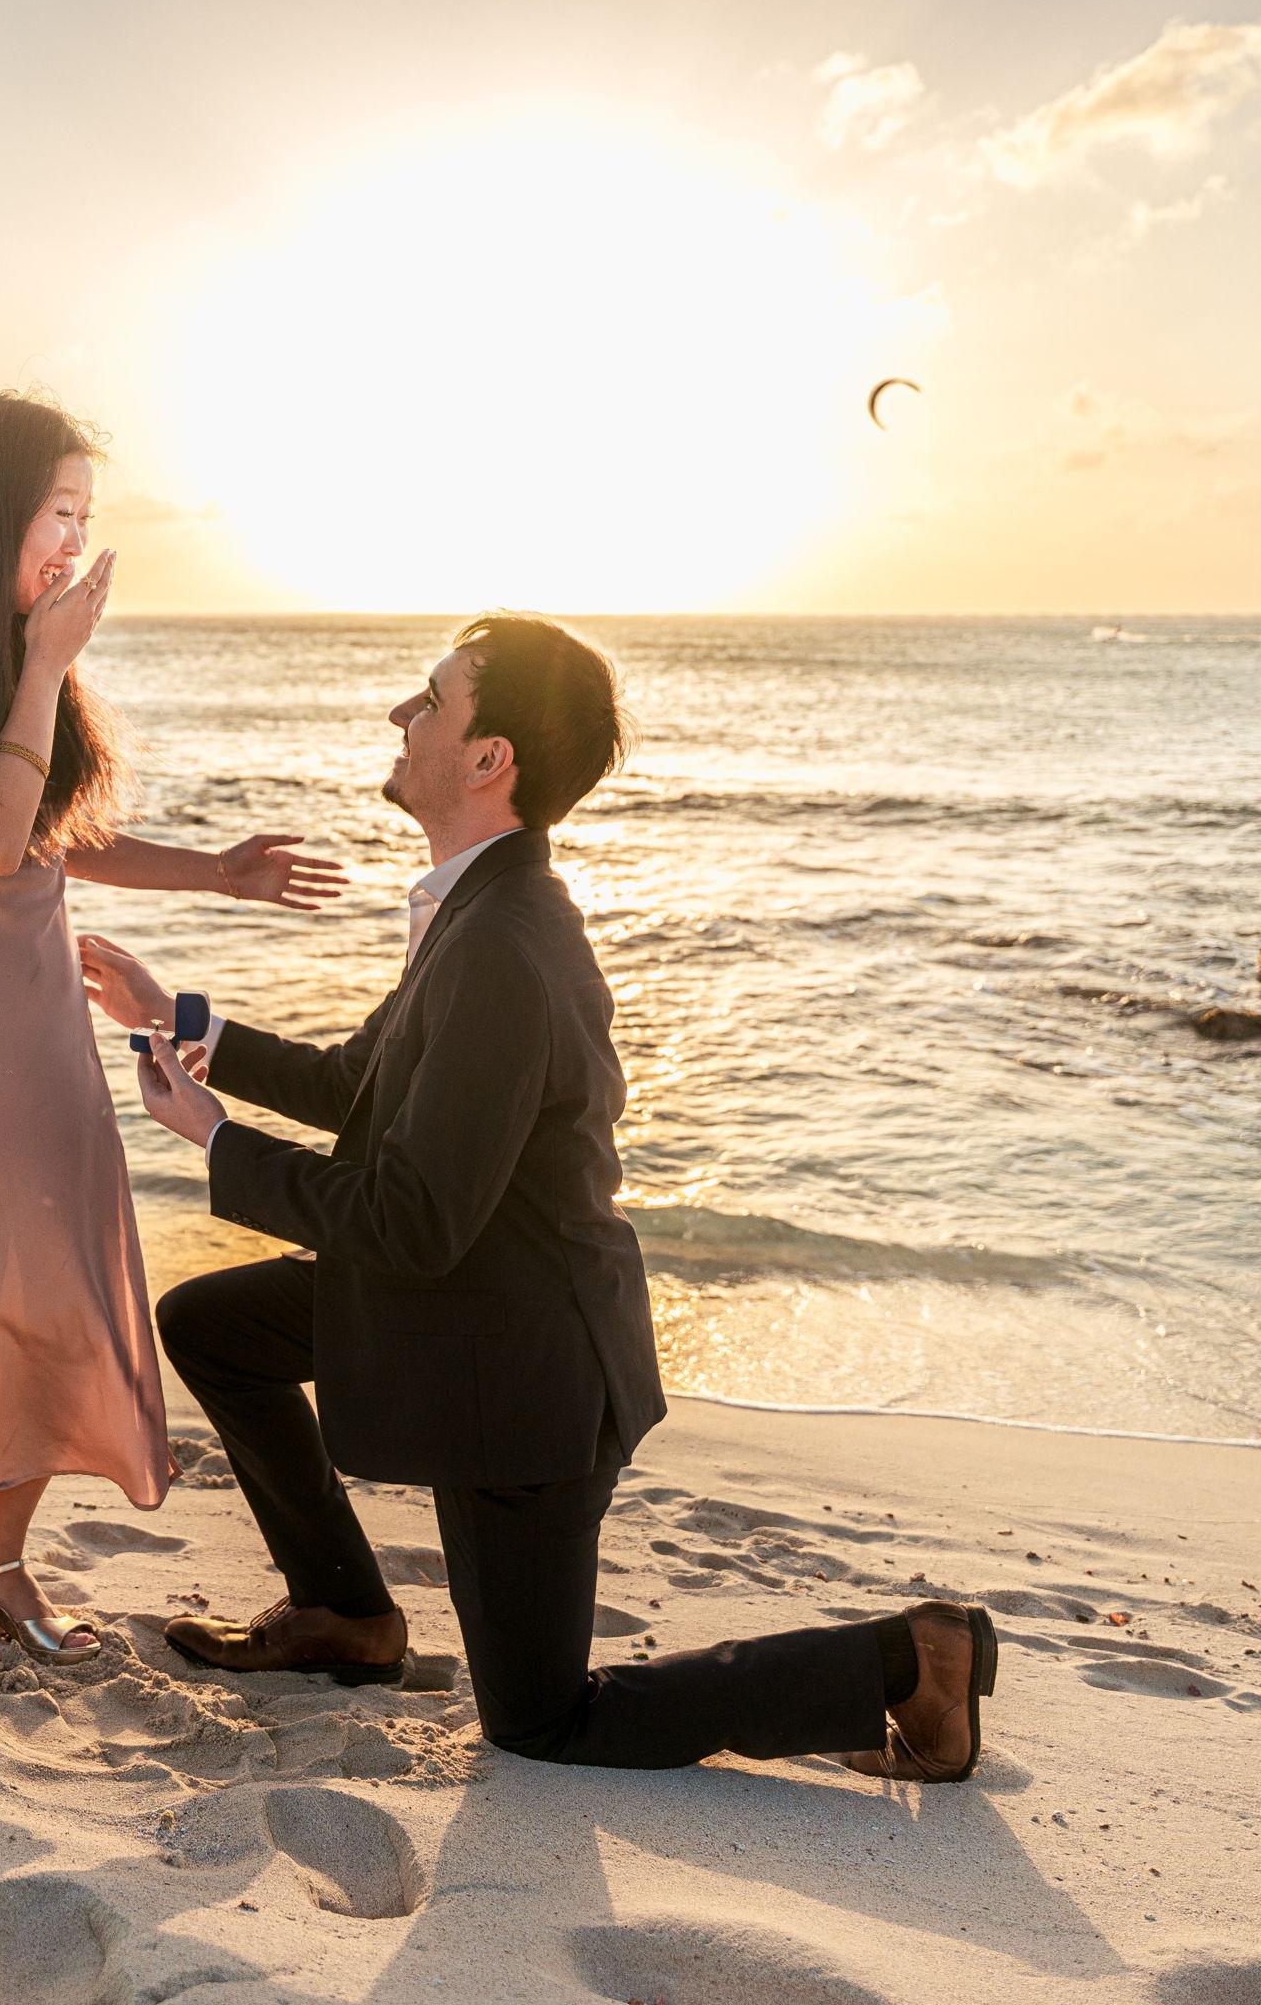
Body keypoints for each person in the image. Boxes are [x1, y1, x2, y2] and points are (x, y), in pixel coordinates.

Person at [79, 613, 997, 1780]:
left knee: (541, 1719)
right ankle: (343, 1612)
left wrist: (212, 1136)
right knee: (213, 1324)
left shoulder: (505, 941)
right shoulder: (473, 906)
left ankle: (908, 1657)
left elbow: (411, 1217)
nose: (399, 718)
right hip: (469, 1303)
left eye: (428, 701)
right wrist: (182, 1021)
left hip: (522, 1371)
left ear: (484, 758)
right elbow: (362, 1081)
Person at [0, 390, 348, 1672]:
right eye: (57, 511)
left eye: (85, 516)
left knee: (69, 1306)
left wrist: (216, 874)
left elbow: (60, 829)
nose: (74, 540)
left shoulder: (23, 653)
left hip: (49, 1053)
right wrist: (46, 662)